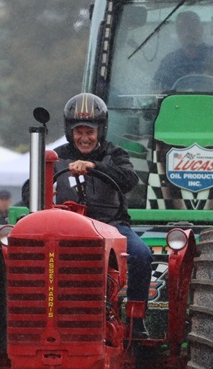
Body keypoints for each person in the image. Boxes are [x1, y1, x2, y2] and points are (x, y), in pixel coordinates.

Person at [50, 92, 153, 338]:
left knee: (141, 254)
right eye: (79, 132)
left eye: (90, 132)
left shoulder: (115, 154)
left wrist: (95, 167)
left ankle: (135, 321)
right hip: (68, 227)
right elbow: (29, 187)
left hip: (112, 225)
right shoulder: (56, 157)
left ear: (101, 130)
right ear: (70, 131)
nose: (84, 138)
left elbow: (129, 179)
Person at [151, 10, 213, 92]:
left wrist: (209, 84)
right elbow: (157, 90)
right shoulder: (170, 61)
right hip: (178, 106)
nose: (187, 34)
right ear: (177, 33)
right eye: (182, 30)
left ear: (201, 29)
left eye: (192, 28)